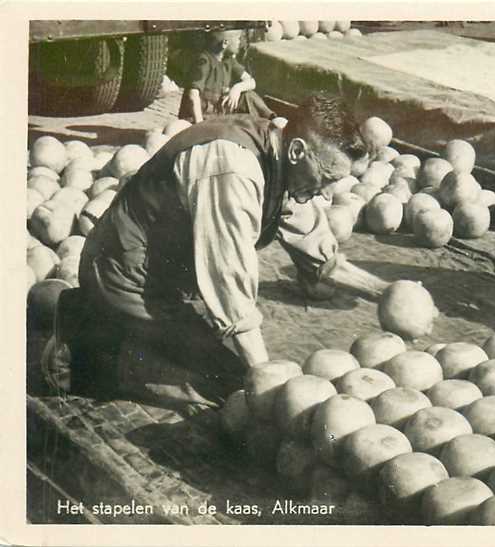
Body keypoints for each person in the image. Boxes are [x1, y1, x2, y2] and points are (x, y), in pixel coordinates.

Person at [46, 94, 386, 409]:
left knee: (227, 361)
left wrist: (384, 292)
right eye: (326, 178)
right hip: (124, 273)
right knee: (232, 384)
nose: (327, 195)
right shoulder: (233, 168)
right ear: (298, 151)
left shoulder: (283, 158)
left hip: (166, 277)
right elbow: (227, 277)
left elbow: (314, 246)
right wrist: (270, 386)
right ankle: (82, 356)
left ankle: (101, 324)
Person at [177, 29, 276, 123]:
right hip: (198, 117)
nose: (239, 43)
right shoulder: (204, 61)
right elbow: (193, 95)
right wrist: (198, 124)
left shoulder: (228, 61)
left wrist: (236, 89)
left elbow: (251, 82)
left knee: (247, 95)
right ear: (225, 43)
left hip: (217, 115)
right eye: (238, 38)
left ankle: (272, 120)